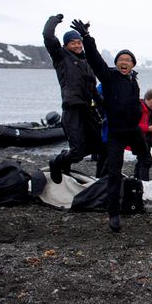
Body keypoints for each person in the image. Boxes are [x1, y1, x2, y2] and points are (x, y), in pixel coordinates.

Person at [72, 19, 151, 233]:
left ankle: (142, 173)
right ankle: (114, 214)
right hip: (116, 133)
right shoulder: (109, 76)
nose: (124, 62)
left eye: (129, 60)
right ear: (117, 63)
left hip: (133, 130)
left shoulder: (133, 79)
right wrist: (87, 38)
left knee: (146, 155)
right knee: (114, 173)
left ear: (133, 64)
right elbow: (95, 59)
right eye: (121, 59)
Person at [42, 14, 102, 183]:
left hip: (88, 110)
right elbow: (48, 36)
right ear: (66, 45)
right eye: (73, 43)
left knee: (98, 145)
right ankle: (57, 162)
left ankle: (68, 162)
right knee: (76, 152)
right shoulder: (61, 57)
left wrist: (104, 106)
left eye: (79, 42)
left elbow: (94, 91)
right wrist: (54, 20)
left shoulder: (87, 62)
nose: (77, 45)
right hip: (72, 109)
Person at [135, 89, 152, 180]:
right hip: (139, 139)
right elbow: (133, 124)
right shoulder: (139, 108)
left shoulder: (151, 110)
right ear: (146, 99)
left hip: (147, 139)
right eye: (151, 102)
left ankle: (137, 180)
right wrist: (148, 128)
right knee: (146, 161)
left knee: (141, 161)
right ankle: (143, 183)